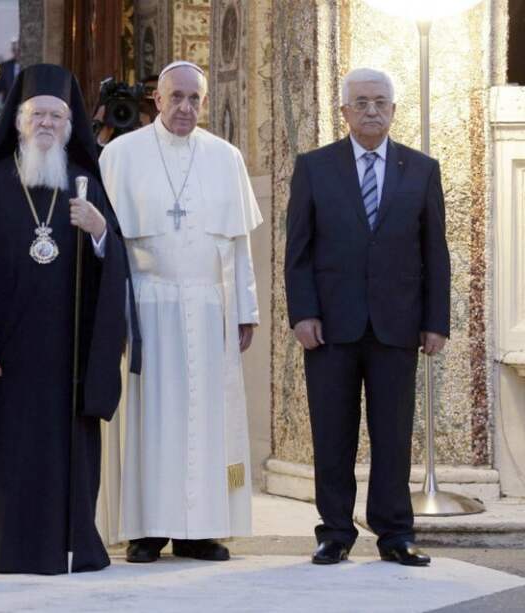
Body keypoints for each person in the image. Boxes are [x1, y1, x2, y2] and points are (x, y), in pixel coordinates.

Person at [0, 63, 139, 575]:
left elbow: (114, 272)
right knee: (6, 453)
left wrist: (99, 234)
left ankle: (72, 544)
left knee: (66, 451)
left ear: (70, 126)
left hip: (68, 355)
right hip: (7, 354)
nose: (46, 123)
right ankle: (3, 545)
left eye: (57, 115)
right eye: (37, 114)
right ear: (18, 121)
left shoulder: (86, 184)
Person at [97, 60, 262, 564]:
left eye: (196, 99)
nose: (186, 107)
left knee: (208, 418)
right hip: (148, 308)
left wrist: (246, 309)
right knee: (150, 418)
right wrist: (113, 316)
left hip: (211, 307)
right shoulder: (121, 155)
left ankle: (201, 529)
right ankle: (147, 530)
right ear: (157, 100)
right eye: (177, 97)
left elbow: (237, 245)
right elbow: (107, 243)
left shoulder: (225, 157)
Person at [284, 67, 449, 567]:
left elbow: (434, 251)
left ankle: (395, 533)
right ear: (344, 112)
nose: (372, 110)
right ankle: (335, 531)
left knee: (394, 434)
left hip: (398, 324)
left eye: (381, 101)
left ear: (394, 110)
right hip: (331, 326)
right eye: (361, 102)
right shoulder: (314, 166)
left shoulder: (421, 169)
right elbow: (298, 251)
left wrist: (436, 320)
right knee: (332, 433)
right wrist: (303, 313)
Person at [0, 39, 20, 104]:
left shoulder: (31, 66)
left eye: (18, 50)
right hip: (8, 104)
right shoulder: (4, 67)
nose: (17, 53)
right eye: (14, 50)